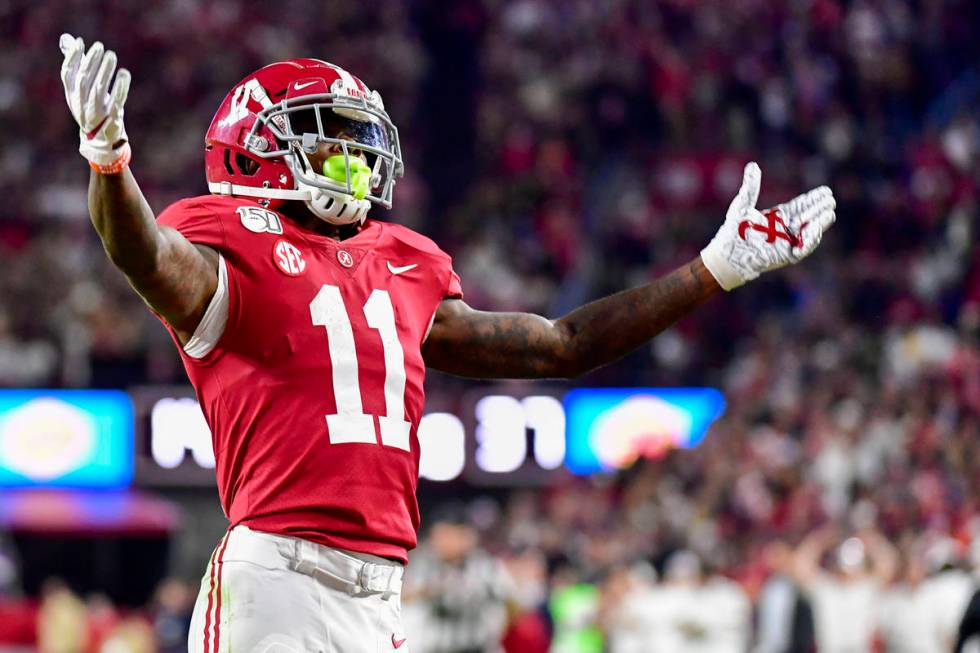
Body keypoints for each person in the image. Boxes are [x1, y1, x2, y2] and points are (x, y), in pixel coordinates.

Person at [57, 33, 836, 652]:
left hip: (382, 588)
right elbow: (146, 255)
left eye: (361, 145)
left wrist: (711, 271)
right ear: (257, 151)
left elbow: (556, 345)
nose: (355, 163)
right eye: (330, 142)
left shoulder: (405, 261)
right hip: (278, 582)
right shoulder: (231, 244)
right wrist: (109, 162)